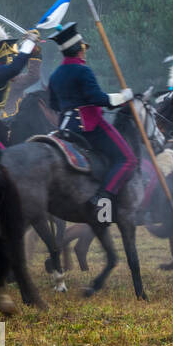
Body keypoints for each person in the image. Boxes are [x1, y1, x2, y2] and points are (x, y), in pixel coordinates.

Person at [46, 23, 138, 214]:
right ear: (79, 50)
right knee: (128, 159)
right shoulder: (83, 70)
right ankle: (103, 200)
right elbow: (98, 99)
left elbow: (54, 105)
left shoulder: (55, 75)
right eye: (83, 49)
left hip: (65, 128)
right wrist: (124, 97)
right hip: (89, 126)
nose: (84, 53)